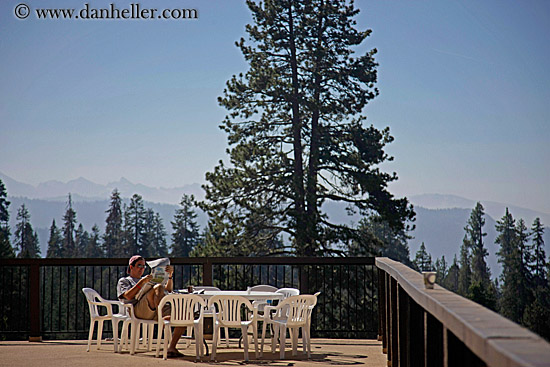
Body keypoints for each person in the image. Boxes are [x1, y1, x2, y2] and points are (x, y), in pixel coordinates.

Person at [117, 255, 185, 357]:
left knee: (182, 316)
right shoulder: (125, 280)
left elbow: (169, 290)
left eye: (144, 266)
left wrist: (169, 276)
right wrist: (142, 282)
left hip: (155, 306)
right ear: (131, 267)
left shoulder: (148, 279)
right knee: (157, 287)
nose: (142, 269)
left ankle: (172, 347)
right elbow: (127, 296)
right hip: (138, 310)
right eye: (139, 266)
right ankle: (161, 317)